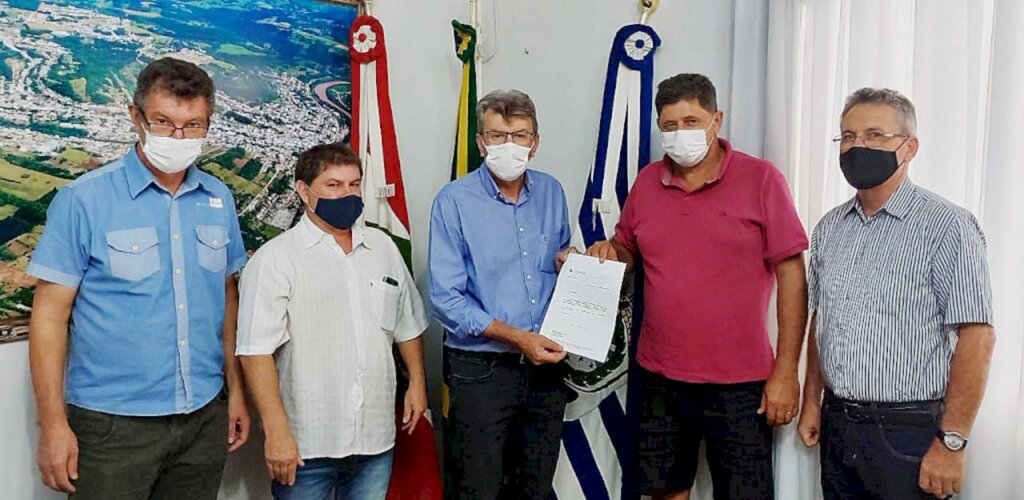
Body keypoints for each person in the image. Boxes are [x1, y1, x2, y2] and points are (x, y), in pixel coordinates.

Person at [28, 57, 250, 499]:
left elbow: (226, 300)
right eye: (164, 122)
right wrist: (53, 424)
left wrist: (236, 392)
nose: (179, 137)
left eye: (194, 125)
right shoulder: (84, 200)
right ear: (136, 117)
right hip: (112, 427)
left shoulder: (218, 198)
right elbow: (50, 316)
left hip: (203, 416)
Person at [585, 73, 809, 499]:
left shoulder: (761, 179)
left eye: (691, 121)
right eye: (669, 126)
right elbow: (627, 249)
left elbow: (792, 275)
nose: (679, 134)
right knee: (664, 490)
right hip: (660, 377)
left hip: (742, 382)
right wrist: (604, 255)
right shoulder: (648, 182)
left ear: (716, 120)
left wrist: (786, 371)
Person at [797, 88, 995, 499]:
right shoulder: (830, 229)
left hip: (908, 434)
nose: (858, 146)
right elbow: (823, 320)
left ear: (909, 148)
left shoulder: (948, 227)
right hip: (839, 426)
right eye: (848, 136)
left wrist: (952, 442)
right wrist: (812, 400)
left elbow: (977, 337)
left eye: (874, 135)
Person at [235, 143, 427, 500]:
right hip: (307, 442)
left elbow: (408, 323)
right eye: (333, 185)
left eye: (354, 185)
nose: (347, 194)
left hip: (375, 436)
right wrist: (276, 432)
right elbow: (255, 351)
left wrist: (417, 381)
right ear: (304, 191)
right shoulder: (276, 260)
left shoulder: (383, 248)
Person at [429, 89, 571, 499]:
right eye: (496, 135)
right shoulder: (453, 201)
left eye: (520, 135)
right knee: (477, 489)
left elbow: (557, 266)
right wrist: (517, 338)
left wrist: (573, 265)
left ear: (535, 142)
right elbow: (446, 299)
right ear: (480, 142)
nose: (509, 146)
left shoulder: (551, 192)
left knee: (535, 488)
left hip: (546, 368)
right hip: (481, 371)